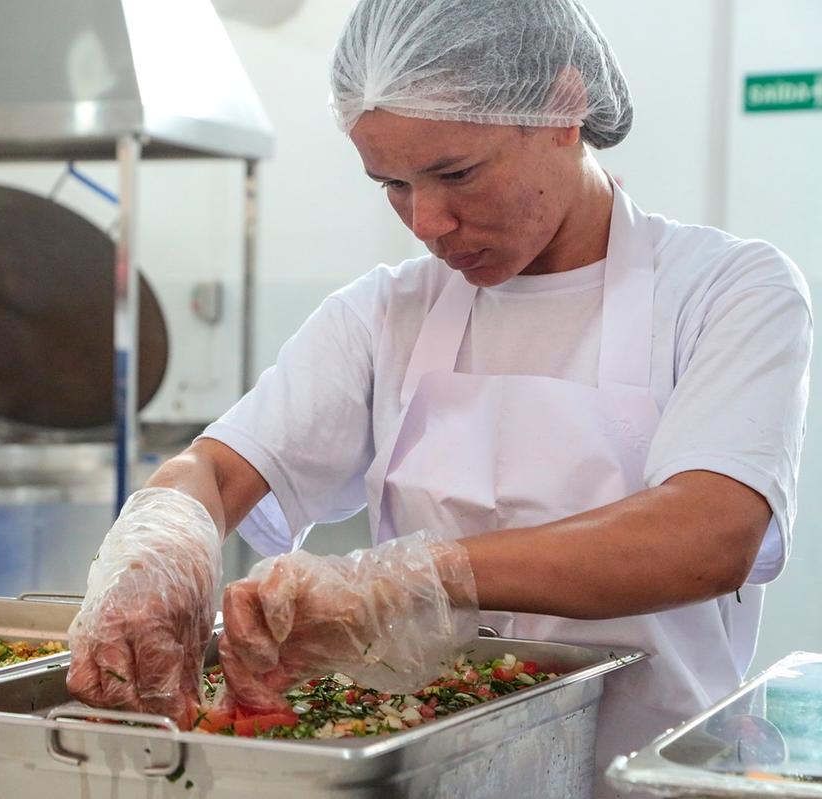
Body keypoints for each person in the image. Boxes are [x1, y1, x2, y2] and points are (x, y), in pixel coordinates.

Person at [66, 0, 812, 793]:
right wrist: (165, 541)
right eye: (391, 183)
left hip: (644, 776)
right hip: (432, 773)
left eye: (457, 173)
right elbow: (212, 470)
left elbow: (710, 530)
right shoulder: (386, 313)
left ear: (563, 107)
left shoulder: (729, 289)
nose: (427, 221)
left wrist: (415, 578)